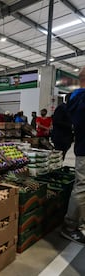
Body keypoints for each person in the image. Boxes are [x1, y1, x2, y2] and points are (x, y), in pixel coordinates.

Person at [61, 67, 85, 243]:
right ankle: (70, 226)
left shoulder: (75, 98)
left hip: (81, 147)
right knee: (82, 186)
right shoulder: (82, 99)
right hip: (84, 149)